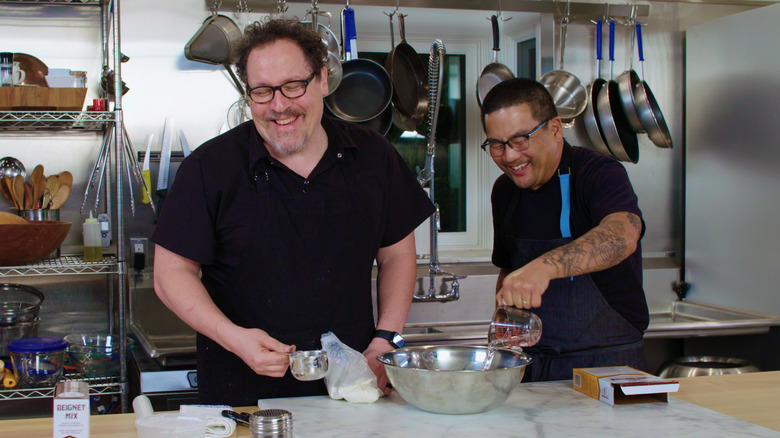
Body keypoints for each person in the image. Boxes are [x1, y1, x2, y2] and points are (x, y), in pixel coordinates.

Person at [151, 18, 434, 406]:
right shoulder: (209, 168)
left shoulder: (373, 156)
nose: (279, 105)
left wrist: (386, 340)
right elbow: (171, 275)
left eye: (293, 86)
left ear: (321, 80)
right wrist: (235, 339)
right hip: (242, 399)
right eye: (263, 92)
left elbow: (398, 254)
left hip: (354, 394)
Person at [481, 78, 649, 381]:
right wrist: (504, 324)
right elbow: (509, 269)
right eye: (496, 144)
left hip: (608, 363)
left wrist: (543, 268)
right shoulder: (504, 191)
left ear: (555, 129)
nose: (509, 156)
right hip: (534, 364)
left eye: (520, 140)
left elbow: (623, 234)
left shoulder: (598, 172)